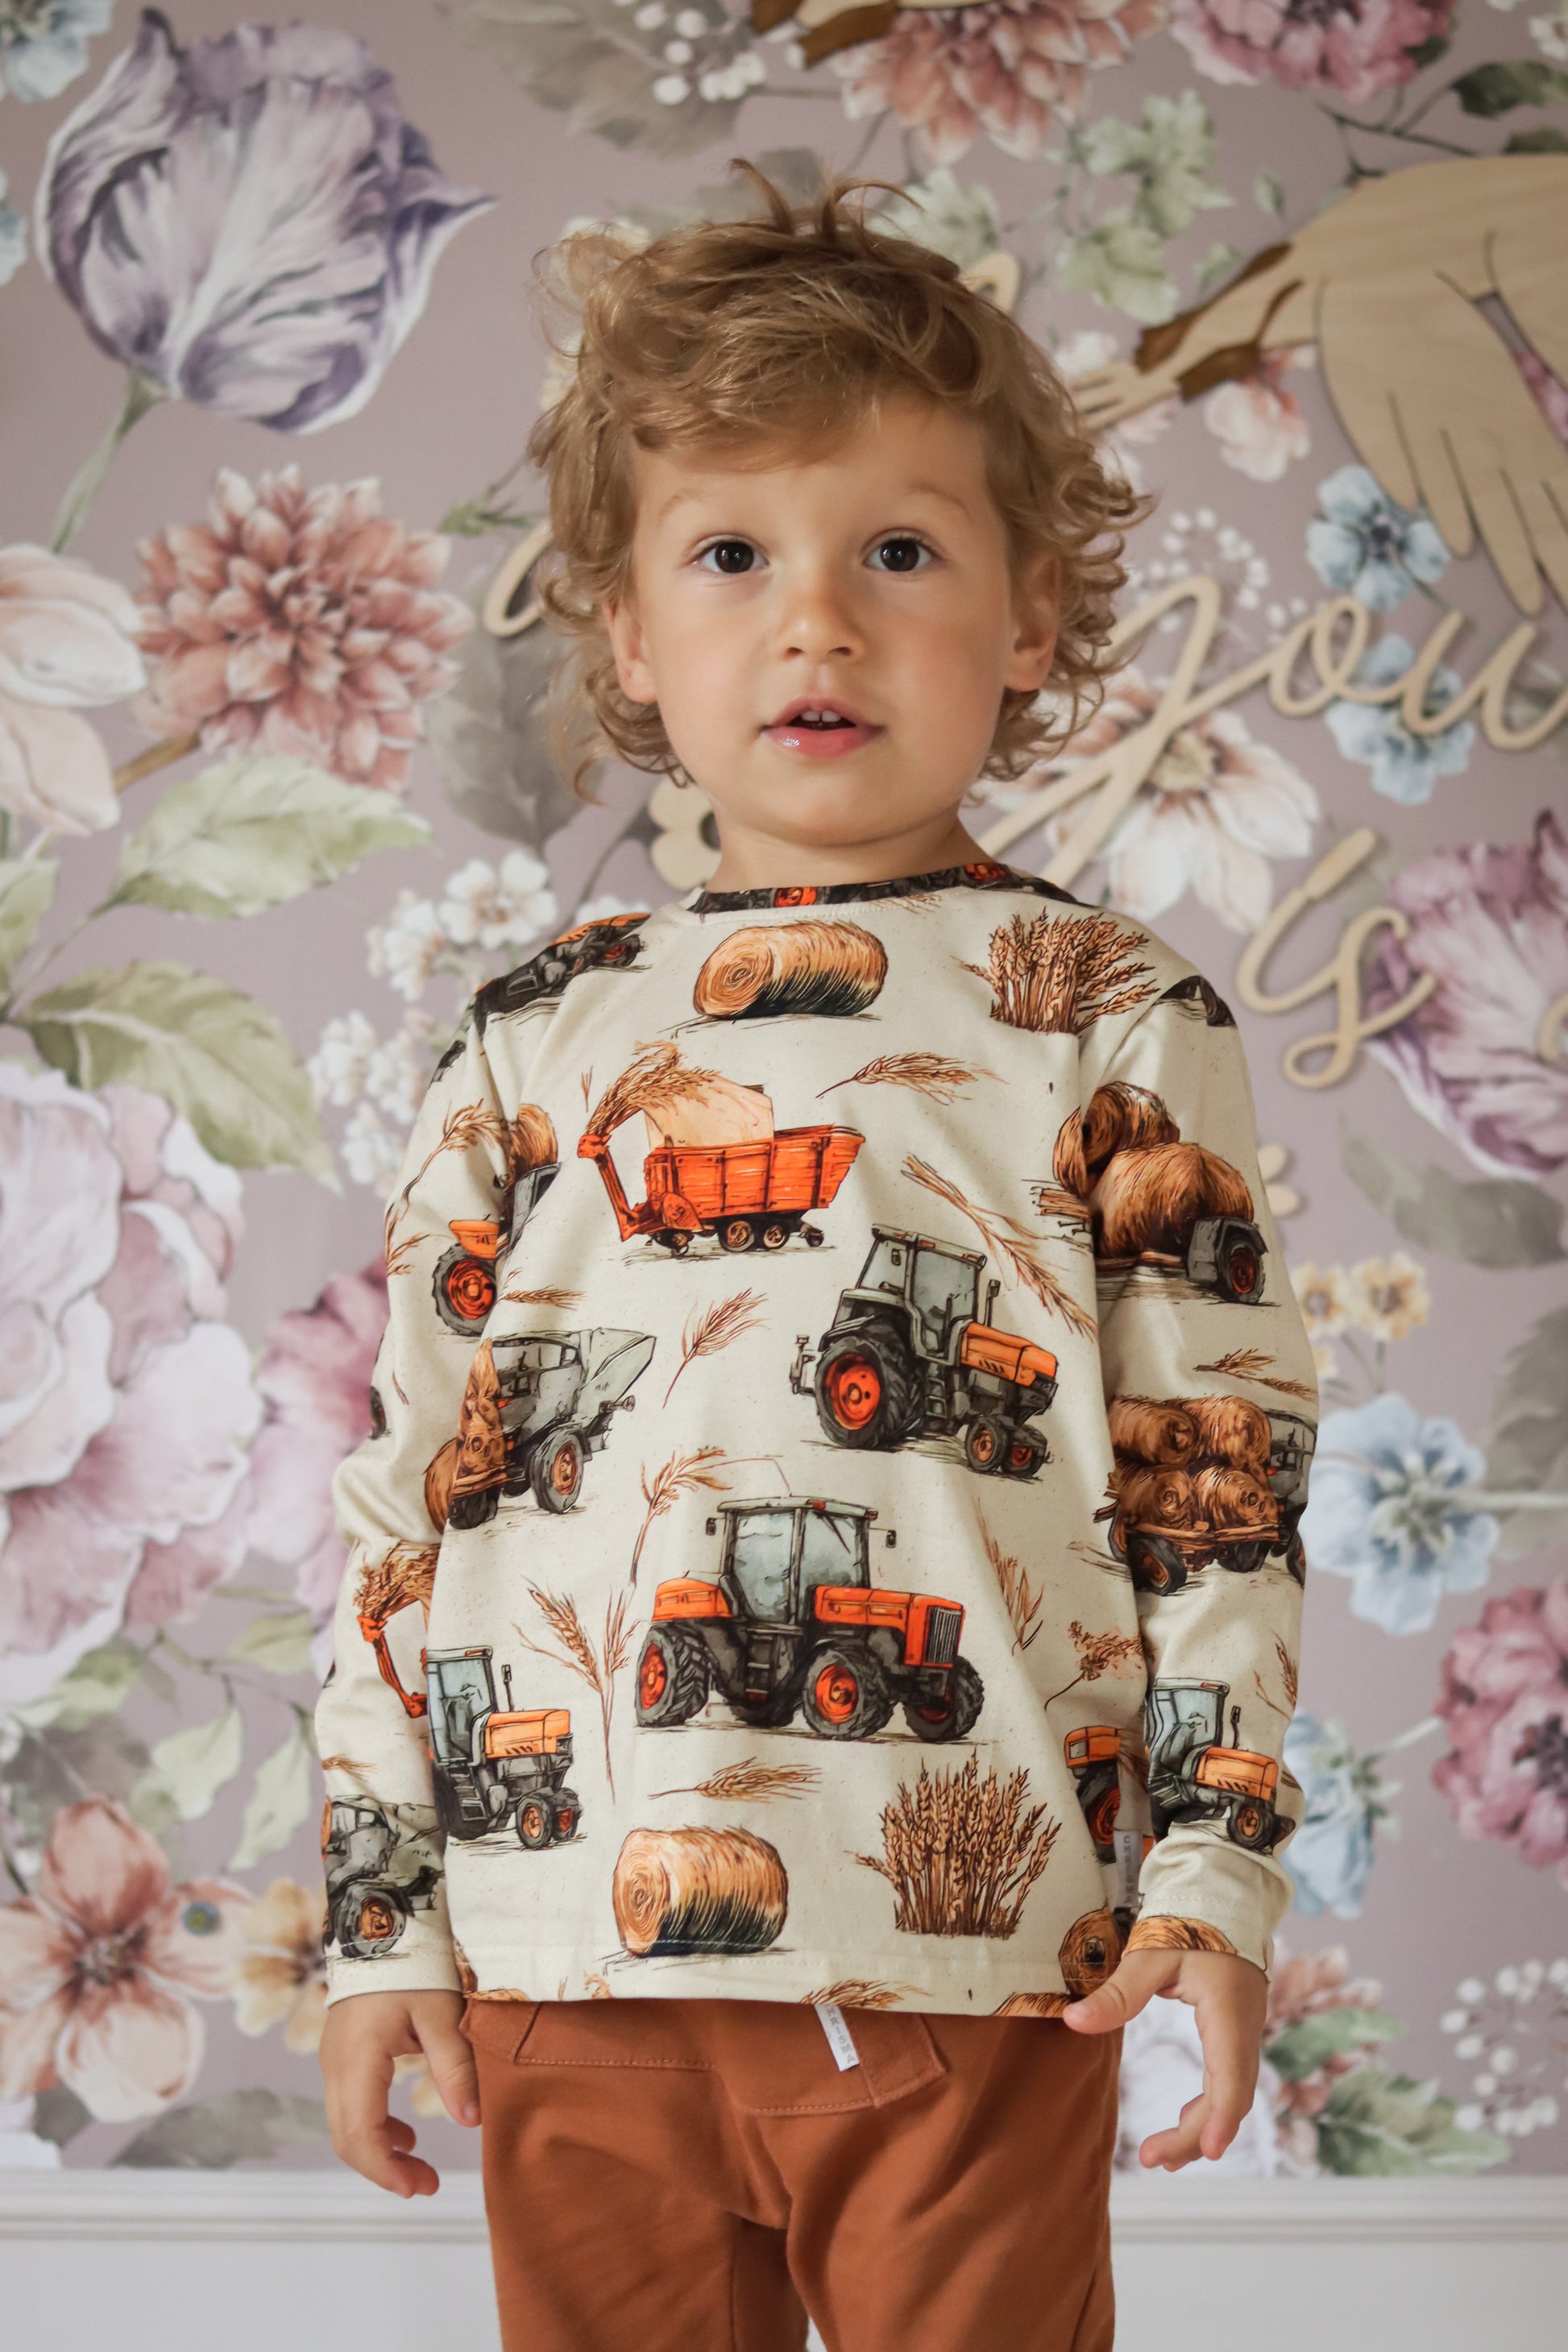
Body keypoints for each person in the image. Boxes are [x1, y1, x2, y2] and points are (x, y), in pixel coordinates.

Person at [316, 160, 1317, 2352]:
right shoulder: (538, 1036)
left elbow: (1215, 1484)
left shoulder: (1104, 1016)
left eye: (898, 551)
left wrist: (1215, 1873)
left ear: (1030, 620)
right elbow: (413, 1507)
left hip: (980, 1959)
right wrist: (383, 1918)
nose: (816, 623)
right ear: (626, 635)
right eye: (732, 556)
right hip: (570, 1961)